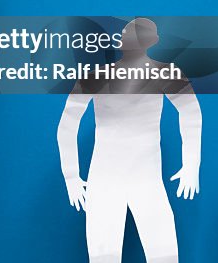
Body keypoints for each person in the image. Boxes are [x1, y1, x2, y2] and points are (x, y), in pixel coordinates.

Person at [57, 18, 201, 263]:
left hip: (146, 180)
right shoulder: (95, 77)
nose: (125, 35)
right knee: (104, 257)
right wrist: (71, 175)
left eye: (133, 32)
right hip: (104, 180)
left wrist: (192, 165)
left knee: (164, 255)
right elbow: (67, 125)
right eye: (125, 30)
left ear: (151, 41)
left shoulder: (166, 73)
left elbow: (191, 114)